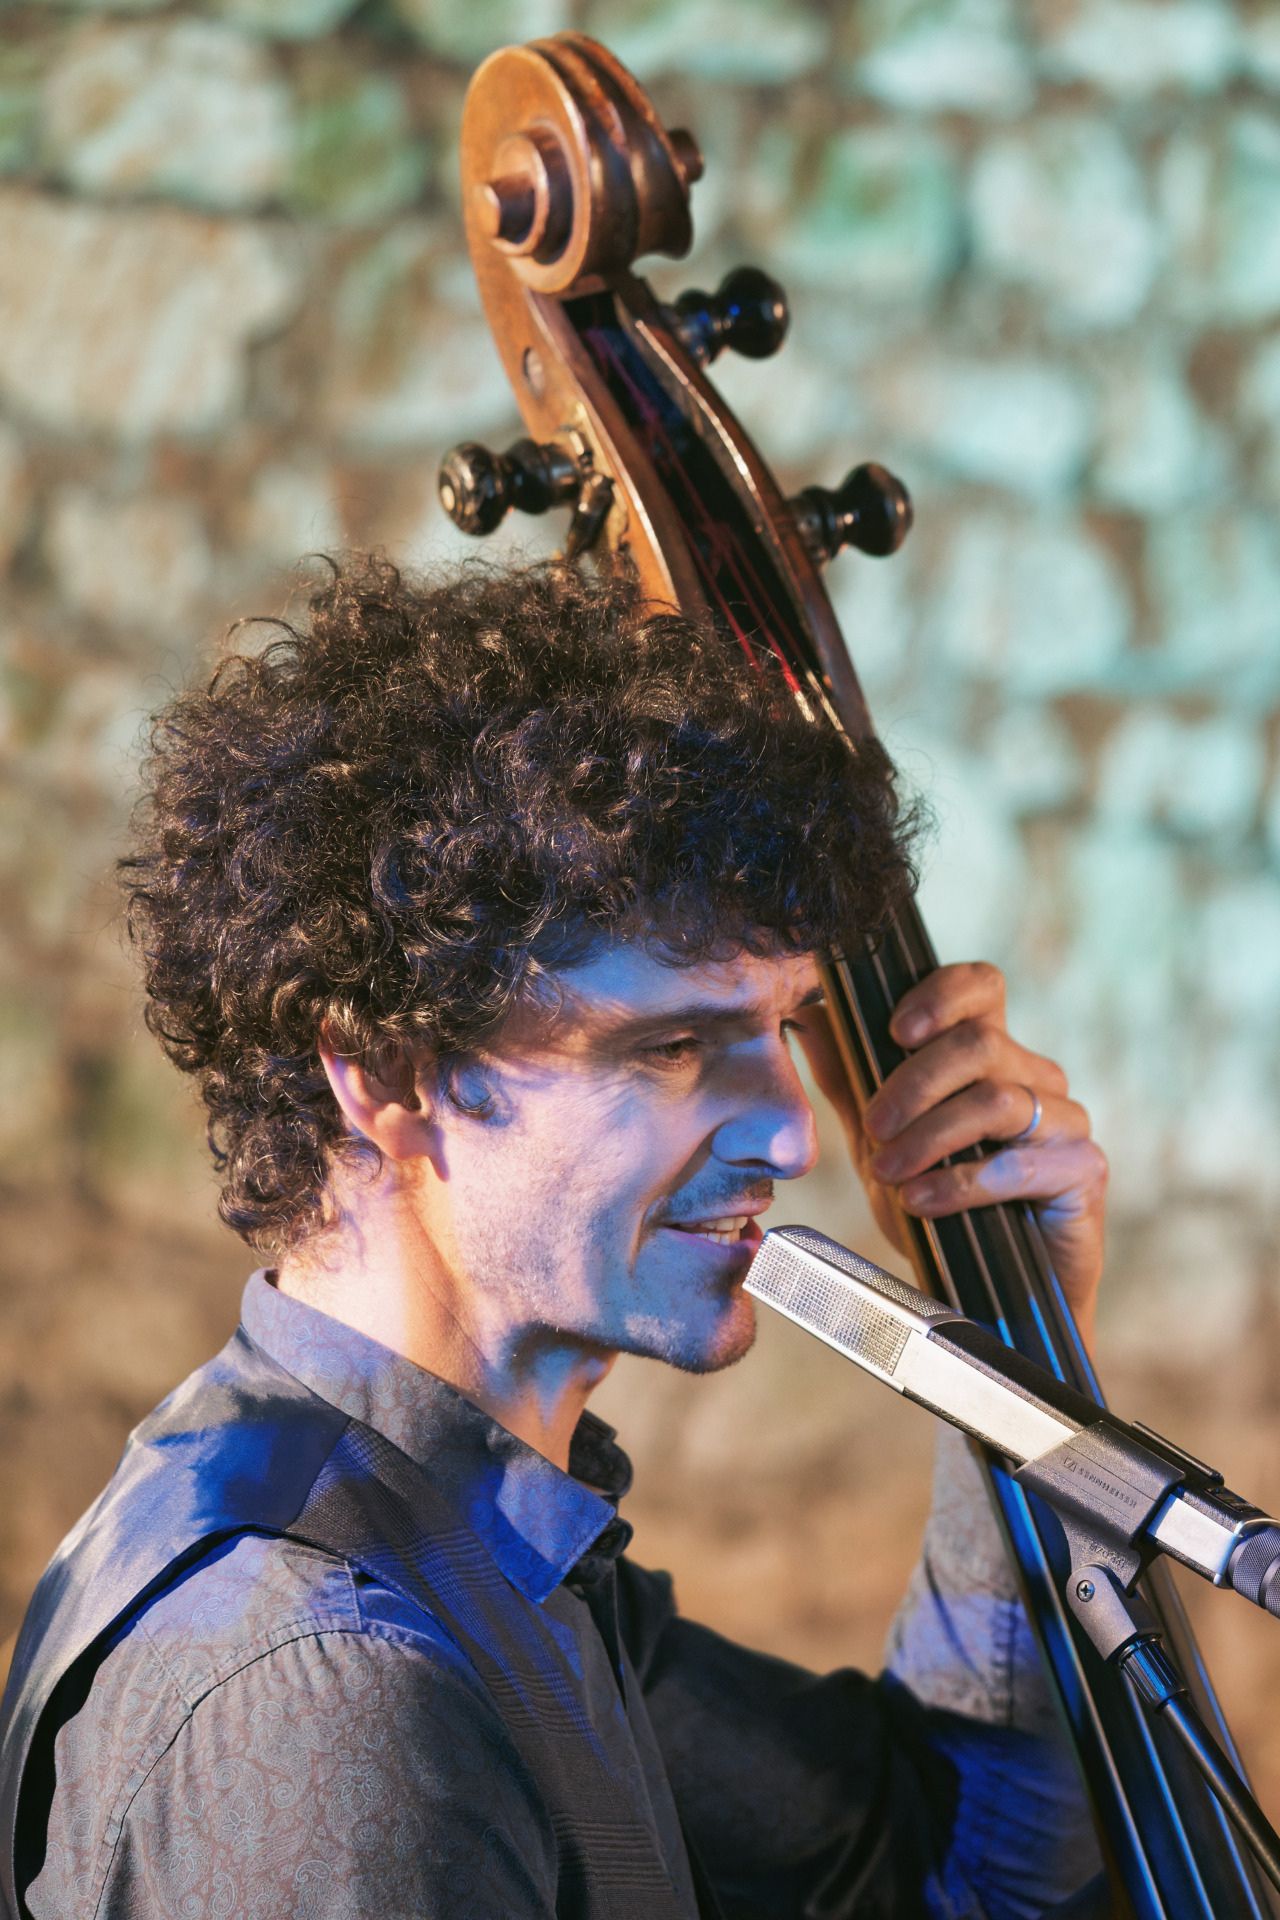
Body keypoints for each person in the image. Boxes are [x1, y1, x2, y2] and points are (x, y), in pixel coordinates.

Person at [0, 557, 1107, 1918]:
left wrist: (1015, 1335)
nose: (798, 1135)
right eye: (676, 1045)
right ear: (392, 1073)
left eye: (786, 1025)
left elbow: (954, 1868)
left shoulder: (471, 1539)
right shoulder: (339, 1694)